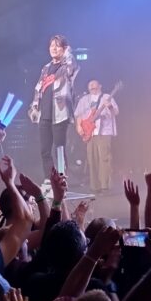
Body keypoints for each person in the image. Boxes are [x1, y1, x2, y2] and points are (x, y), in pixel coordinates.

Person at [29, 34, 79, 176]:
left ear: (64, 48)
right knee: (45, 151)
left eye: (57, 46)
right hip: (44, 115)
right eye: (51, 46)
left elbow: (72, 67)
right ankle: (49, 179)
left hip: (60, 113)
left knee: (59, 150)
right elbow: (38, 88)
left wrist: (68, 52)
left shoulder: (67, 65)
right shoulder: (45, 68)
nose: (54, 48)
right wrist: (34, 107)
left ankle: (61, 180)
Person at [73, 80, 119, 194]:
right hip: (90, 132)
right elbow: (78, 115)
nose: (92, 86)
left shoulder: (107, 97)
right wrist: (78, 126)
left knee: (104, 158)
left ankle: (105, 186)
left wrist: (110, 107)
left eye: (94, 85)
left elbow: (115, 112)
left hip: (104, 131)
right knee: (92, 159)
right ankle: (95, 186)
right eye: (90, 85)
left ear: (100, 86)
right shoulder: (84, 99)